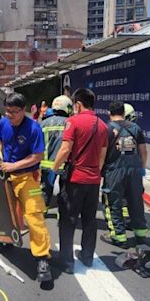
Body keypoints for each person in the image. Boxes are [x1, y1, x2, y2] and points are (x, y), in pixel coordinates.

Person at [0, 92, 52, 283]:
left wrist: (14, 166)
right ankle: (5, 241)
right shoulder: (5, 123)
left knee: (33, 215)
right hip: (6, 177)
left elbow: (37, 156)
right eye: (6, 112)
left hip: (28, 177)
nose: (9, 116)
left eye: (13, 112)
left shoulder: (33, 129)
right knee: (4, 212)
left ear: (23, 111)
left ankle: (42, 257)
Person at [52, 88, 108, 274]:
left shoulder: (73, 121)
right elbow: (102, 155)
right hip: (93, 181)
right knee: (89, 220)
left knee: (68, 220)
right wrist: (94, 173)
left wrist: (54, 168)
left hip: (75, 179)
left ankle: (67, 262)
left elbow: (65, 149)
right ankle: (87, 256)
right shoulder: (102, 125)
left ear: (77, 104)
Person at [100, 101, 148, 248]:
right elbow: (144, 151)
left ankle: (119, 236)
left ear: (109, 113)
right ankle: (140, 234)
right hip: (134, 170)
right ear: (123, 113)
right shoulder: (135, 128)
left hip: (114, 170)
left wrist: (98, 171)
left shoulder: (107, 129)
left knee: (113, 203)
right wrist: (142, 168)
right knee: (135, 201)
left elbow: (102, 154)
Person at [40, 95, 73, 207]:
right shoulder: (70, 122)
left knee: (45, 190)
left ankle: (42, 211)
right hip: (64, 164)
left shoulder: (43, 123)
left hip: (45, 165)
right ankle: (62, 215)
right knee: (64, 192)